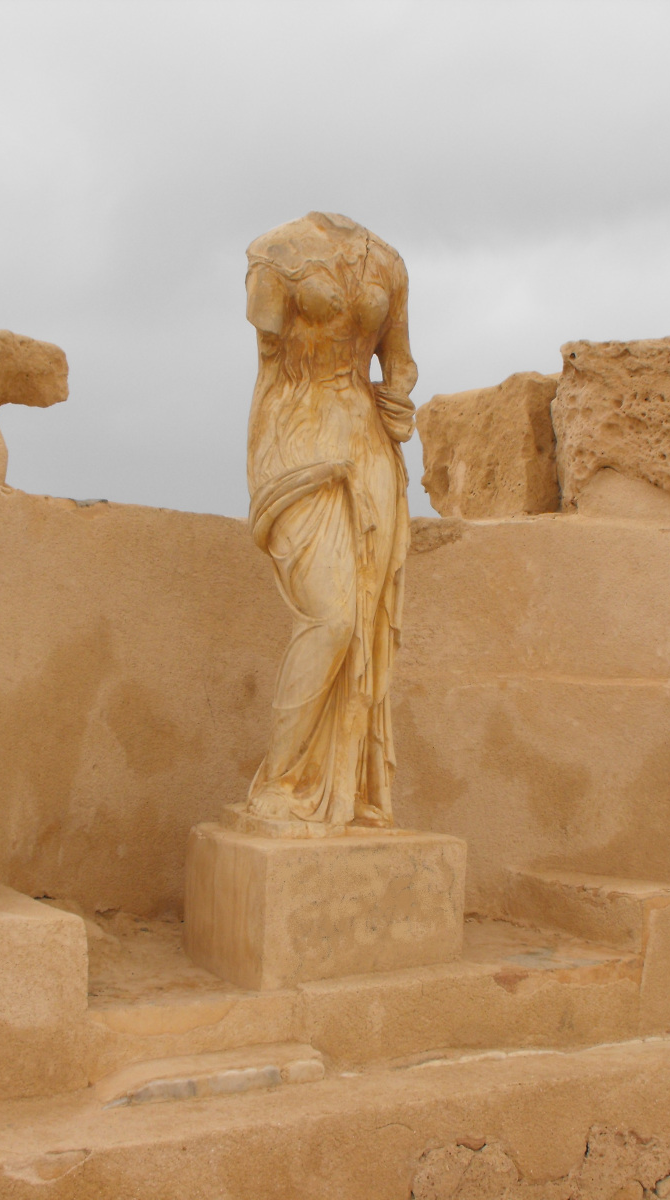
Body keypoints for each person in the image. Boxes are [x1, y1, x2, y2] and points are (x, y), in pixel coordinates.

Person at [242, 212, 417, 828]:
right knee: (332, 617)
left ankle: (346, 792)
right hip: (295, 435)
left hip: (368, 445)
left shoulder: (388, 262)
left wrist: (399, 399)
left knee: (364, 619)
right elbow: (269, 357)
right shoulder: (272, 253)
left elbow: (400, 360)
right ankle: (281, 781)